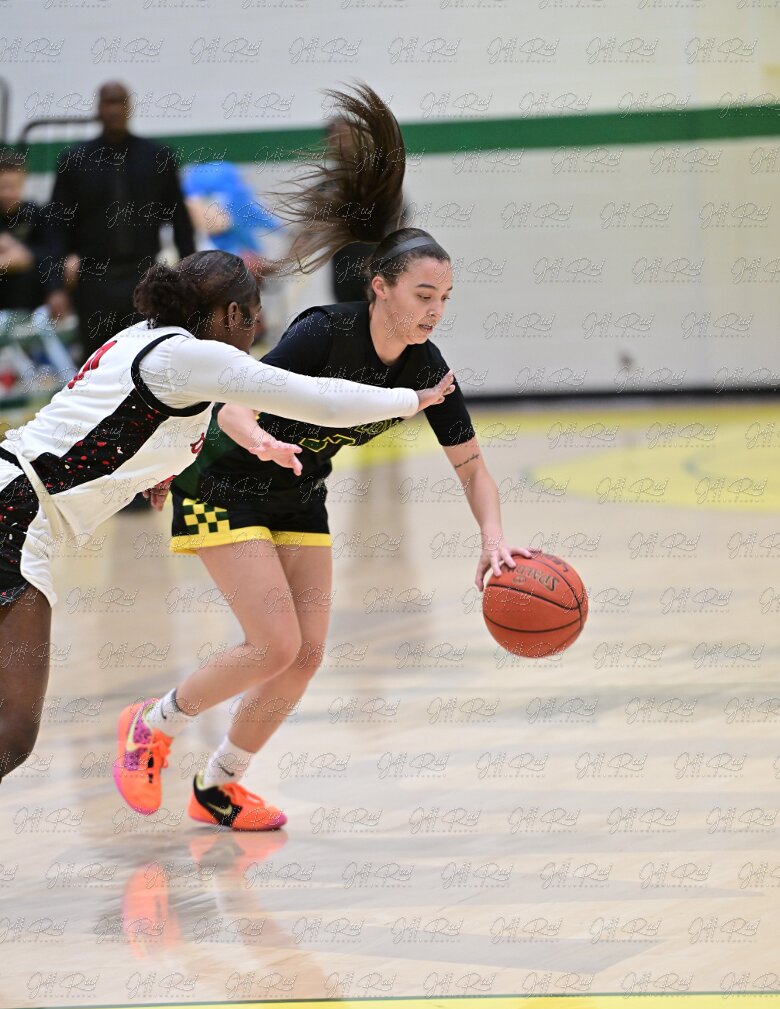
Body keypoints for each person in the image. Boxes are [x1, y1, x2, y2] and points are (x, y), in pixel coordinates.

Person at [114, 85, 530, 834]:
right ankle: (152, 723)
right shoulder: (322, 332)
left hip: (300, 493)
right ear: (380, 287)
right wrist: (261, 441)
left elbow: (472, 466)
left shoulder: (426, 367)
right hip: (225, 481)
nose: (434, 310)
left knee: (304, 655)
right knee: (272, 644)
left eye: (444, 297)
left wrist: (493, 538)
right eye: (422, 294)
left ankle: (218, 785)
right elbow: (233, 400)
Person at [0, 248, 454, 785]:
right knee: (12, 733)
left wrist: (155, 471)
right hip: (17, 515)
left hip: (15, 497)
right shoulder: (195, 357)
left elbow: (108, 419)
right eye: (253, 318)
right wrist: (411, 399)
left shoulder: (143, 339)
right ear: (232, 313)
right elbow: (321, 401)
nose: (255, 332)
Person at [45, 81, 196, 356]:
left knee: (143, 357)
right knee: (94, 359)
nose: (114, 109)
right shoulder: (75, 160)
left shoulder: (157, 158)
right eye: (108, 102)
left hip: (143, 277)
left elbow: (180, 221)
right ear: (98, 108)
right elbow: (56, 227)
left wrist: (190, 276)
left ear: (130, 107)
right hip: (92, 280)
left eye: (120, 102)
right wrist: (56, 287)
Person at [0, 149, 52, 313]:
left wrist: (26, 255)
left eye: (13, 187)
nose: (8, 193)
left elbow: (48, 254)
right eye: (3, 187)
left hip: (30, 303)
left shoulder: (35, 213)